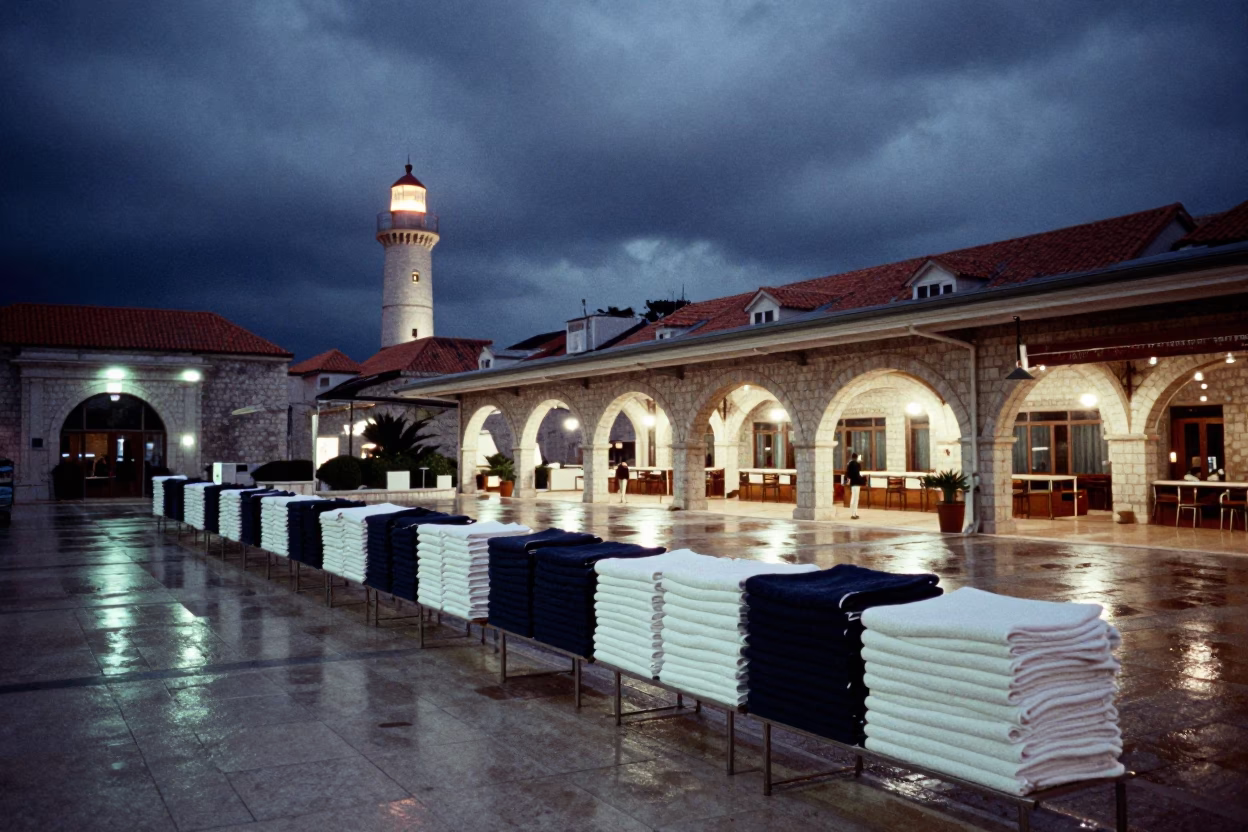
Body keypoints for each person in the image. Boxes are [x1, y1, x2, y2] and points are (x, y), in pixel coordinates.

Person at [845, 451, 865, 519]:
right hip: (857, 483)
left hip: (852, 483)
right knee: (856, 498)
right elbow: (858, 473)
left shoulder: (849, 464)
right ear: (856, 458)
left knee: (853, 497)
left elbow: (847, 474)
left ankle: (854, 513)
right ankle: (854, 514)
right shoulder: (857, 464)